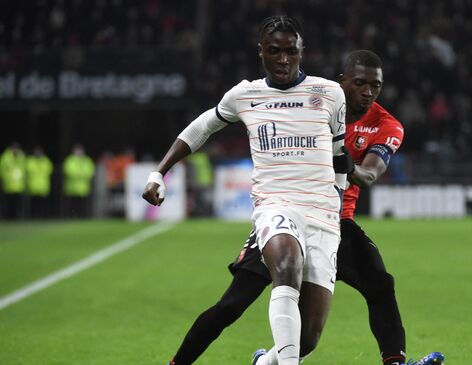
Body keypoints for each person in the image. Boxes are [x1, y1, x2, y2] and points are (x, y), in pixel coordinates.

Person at [162, 50, 444, 365]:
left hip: (334, 223)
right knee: (232, 305)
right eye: (360, 83)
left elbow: (369, 174)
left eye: (375, 86)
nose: (367, 92)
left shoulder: (386, 124)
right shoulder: (314, 102)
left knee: (374, 287)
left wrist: (344, 163)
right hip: (287, 214)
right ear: (343, 83)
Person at [142, 15, 348, 365]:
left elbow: (340, 156)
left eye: (290, 52)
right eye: (274, 51)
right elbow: (200, 128)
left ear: (302, 52)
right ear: (260, 52)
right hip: (276, 208)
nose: (283, 59)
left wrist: (338, 204)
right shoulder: (245, 94)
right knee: (284, 265)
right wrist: (159, 172)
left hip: (322, 218)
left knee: (307, 336)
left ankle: (264, 362)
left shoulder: (329, 93)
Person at [62, 144, 95, 218]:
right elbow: (68, 171)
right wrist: (82, 175)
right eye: (77, 150)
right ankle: (72, 216)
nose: (79, 152)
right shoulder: (70, 160)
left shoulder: (87, 160)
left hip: (84, 188)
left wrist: (79, 175)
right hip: (72, 188)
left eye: (80, 150)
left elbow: (91, 171)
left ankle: (82, 216)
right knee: (73, 204)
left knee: (83, 204)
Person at [0, 142, 27, 219]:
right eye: (14, 148)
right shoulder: (5, 157)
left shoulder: (21, 156)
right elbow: (2, 170)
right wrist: (5, 179)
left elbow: (24, 168)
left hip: (19, 185)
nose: (15, 149)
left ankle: (18, 216)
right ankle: (8, 216)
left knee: (18, 203)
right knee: (8, 202)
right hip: (8, 184)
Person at [26, 146, 53, 218]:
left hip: (43, 186)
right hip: (33, 186)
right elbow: (29, 170)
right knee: (34, 204)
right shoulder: (30, 161)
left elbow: (49, 170)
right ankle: (33, 216)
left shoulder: (46, 161)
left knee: (43, 204)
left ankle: (43, 216)